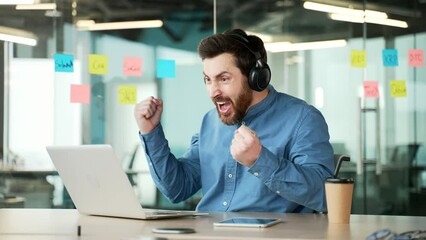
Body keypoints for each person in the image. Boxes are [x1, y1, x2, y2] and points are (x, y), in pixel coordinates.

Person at [134, 29, 335, 213]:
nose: (213, 91)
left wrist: (260, 160)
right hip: (208, 234)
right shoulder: (210, 122)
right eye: (208, 80)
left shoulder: (302, 118)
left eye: (223, 78)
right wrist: (151, 133)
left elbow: (325, 195)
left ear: (255, 77)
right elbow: (177, 189)